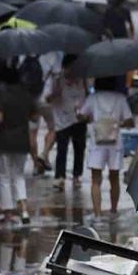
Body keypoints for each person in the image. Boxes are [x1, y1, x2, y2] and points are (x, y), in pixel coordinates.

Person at [78, 76, 134, 217]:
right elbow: (129, 121)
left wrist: (79, 112)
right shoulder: (120, 98)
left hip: (97, 143)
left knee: (95, 180)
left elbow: (81, 116)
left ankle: (97, 214)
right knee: (114, 178)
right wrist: (118, 123)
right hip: (115, 144)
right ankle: (113, 211)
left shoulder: (93, 98)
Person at [0, 65, 37, 226]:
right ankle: (24, 210)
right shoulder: (27, 96)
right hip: (22, 141)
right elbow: (34, 117)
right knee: (19, 175)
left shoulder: (2, 97)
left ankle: (8, 212)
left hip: (4, 141)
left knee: (4, 176)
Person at [46, 56, 88, 189]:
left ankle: (77, 176)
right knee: (62, 148)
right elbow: (47, 98)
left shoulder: (82, 79)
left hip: (79, 117)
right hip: (62, 119)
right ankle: (60, 177)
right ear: (65, 67)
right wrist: (55, 92)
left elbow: (86, 94)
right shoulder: (57, 80)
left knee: (79, 147)